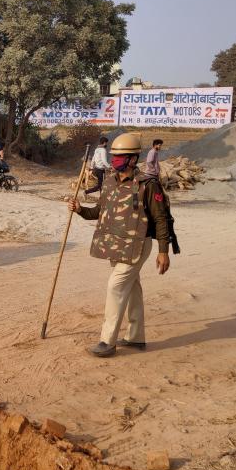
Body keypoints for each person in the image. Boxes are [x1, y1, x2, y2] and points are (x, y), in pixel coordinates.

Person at [67, 133, 172, 357]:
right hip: (117, 245)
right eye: (114, 156)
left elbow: (161, 219)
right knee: (132, 289)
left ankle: (107, 342)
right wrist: (79, 209)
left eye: (120, 156)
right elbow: (99, 211)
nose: (115, 160)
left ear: (133, 159)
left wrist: (164, 251)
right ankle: (136, 338)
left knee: (115, 286)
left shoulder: (148, 184)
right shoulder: (110, 181)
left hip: (137, 245)